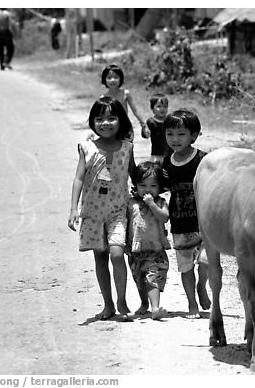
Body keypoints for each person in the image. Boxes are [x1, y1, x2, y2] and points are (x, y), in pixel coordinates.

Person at [68, 96, 136, 321]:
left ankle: (122, 301)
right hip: (93, 213)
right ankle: (108, 304)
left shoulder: (127, 148)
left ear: (120, 120)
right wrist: (73, 209)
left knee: (117, 254)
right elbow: (78, 179)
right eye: (99, 119)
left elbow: (135, 174)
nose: (105, 123)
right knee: (100, 258)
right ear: (92, 122)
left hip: (117, 210)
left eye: (111, 118)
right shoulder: (87, 147)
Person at [162, 109, 210, 319]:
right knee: (186, 266)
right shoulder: (166, 162)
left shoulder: (203, 159)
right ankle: (192, 304)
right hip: (180, 223)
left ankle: (203, 285)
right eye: (170, 134)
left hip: (204, 222)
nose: (175, 139)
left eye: (181, 134)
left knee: (208, 261)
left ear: (194, 135)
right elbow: (160, 187)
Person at [127, 161, 170, 320]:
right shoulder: (131, 203)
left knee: (153, 279)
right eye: (143, 185)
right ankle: (144, 303)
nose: (147, 189)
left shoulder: (160, 202)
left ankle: (155, 308)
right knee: (139, 279)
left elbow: (164, 217)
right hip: (136, 251)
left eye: (153, 185)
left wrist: (152, 205)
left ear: (160, 187)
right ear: (136, 185)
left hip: (155, 250)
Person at [100, 64, 147, 141]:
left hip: (125, 128)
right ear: (104, 79)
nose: (112, 80)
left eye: (116, 77)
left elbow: (135, 111)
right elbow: (101, 116)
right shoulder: (103, 98)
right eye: (109, 77)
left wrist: (143, 124)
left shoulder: (125, 93)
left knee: (127, 150)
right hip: (111, 129)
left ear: (120, 79)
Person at [142, 93, 173, 163]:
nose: (162, 109)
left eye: (165, 106)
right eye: (159, 106)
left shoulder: (170, 120)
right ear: (152, 108)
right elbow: (145, 135)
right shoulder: (150, 122)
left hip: (170, 153)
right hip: (156, 154)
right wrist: (145, 132)